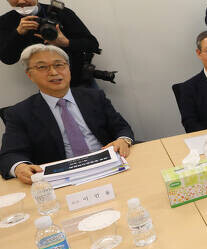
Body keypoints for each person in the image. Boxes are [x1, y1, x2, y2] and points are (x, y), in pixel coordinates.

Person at [0, 44, 134, 184]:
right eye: (42, 67)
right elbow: (10, 155)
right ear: (30, 75)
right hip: (62, 180)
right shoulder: (19, 113)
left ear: (69, 69)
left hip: (108, 168)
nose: (53, 72)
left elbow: (121, 127)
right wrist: (19, 167)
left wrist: (123, 140)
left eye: (59, 65)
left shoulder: (94, 97)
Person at [0, 0, 100, 87]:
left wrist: (66, 43)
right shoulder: (5, 21)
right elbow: (8, 59)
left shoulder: (61, 12)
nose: (21, 1)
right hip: (46, 85)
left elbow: (93, 45)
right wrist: (18, 33)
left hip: (78, 80)